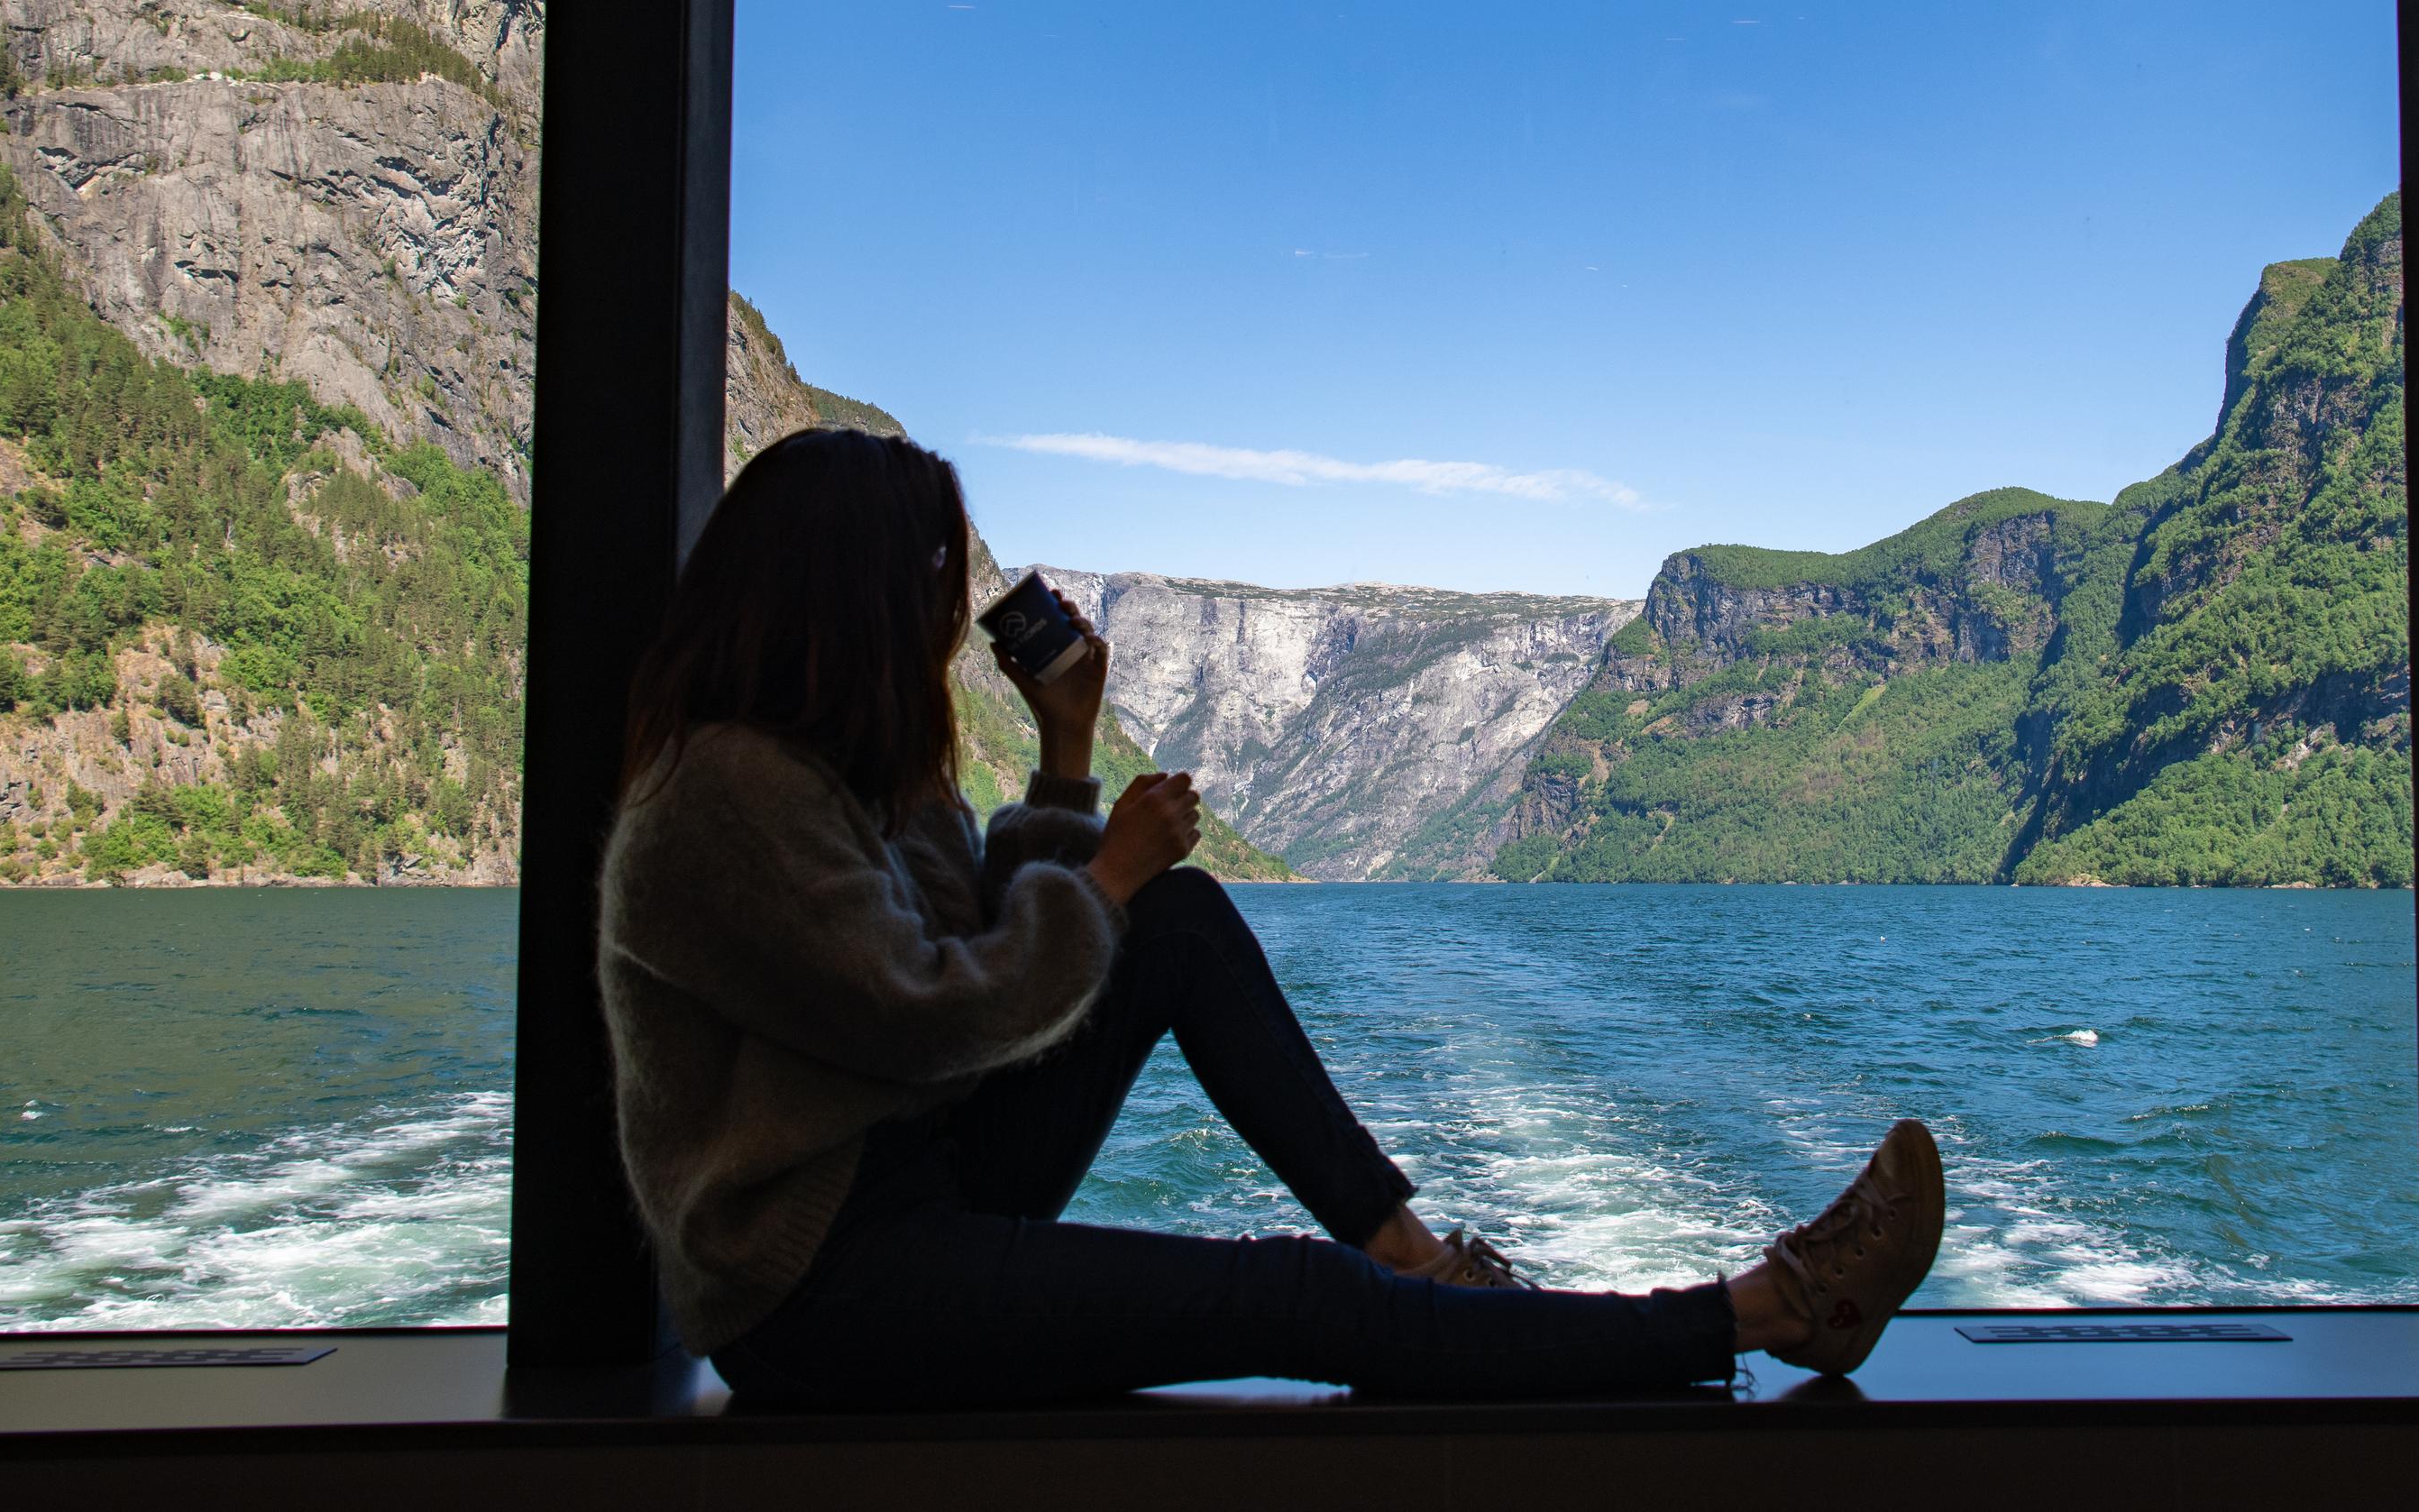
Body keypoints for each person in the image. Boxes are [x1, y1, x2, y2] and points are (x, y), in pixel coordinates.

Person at [600, 427, 1947, 1407]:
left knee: (1176, 919)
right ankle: (1771, 1310)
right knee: (1293, 1297)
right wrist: (1106, 875)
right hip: (818, 1287)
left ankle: (1415, 1257)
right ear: (845, 593)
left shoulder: (855, 772)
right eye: (930, 582)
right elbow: (937, 1012)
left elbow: (989, 938)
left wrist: (1066, 756)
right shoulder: (722, 791)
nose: (947, 620)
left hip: (921, 1174)